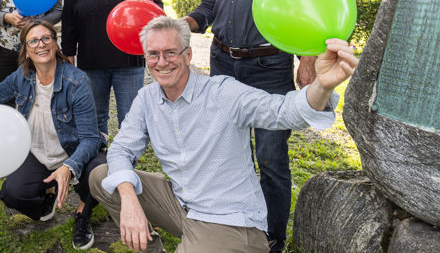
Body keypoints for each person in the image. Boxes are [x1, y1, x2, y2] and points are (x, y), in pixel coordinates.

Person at [90, 16, 358, 253]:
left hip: (228, 221)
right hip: (182, 205)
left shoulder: (223, 93)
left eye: (170, 53)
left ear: (188, 55)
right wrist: (128, 199)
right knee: (102, 177)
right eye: (153, 55)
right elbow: (121, 150)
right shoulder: (147, 98)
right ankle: (149, 247)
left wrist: (322, 84)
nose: (161, 62)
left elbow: (283, 111)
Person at [183, 0, 319, 252]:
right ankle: (234, 225)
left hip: (269, 67)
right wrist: (183, 25)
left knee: (271, 157)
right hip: (223, 63)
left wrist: (307, 61)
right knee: (228, 151)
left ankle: (272, 237)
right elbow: (208, 8)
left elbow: (312, 5)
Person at [0, 20, 105, 250]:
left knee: (98, 176)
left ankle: (82, 212)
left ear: (55, 44)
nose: (40, 45)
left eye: (46, 38)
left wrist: (68, 167)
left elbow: (91, 139)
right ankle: (49, 196)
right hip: (36, 153)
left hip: (71, 152)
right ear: (25, 50)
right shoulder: (21, 76)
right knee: (12, 193)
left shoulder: (77, 81)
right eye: (33, 41)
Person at [62, 0, 160, 137]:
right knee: (95, 119)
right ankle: (98, 166)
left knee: (130, 118)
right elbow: (69, 26)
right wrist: (69, 58)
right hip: (91, 66)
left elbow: (156, 13)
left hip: (129, 63)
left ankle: (126, 166)